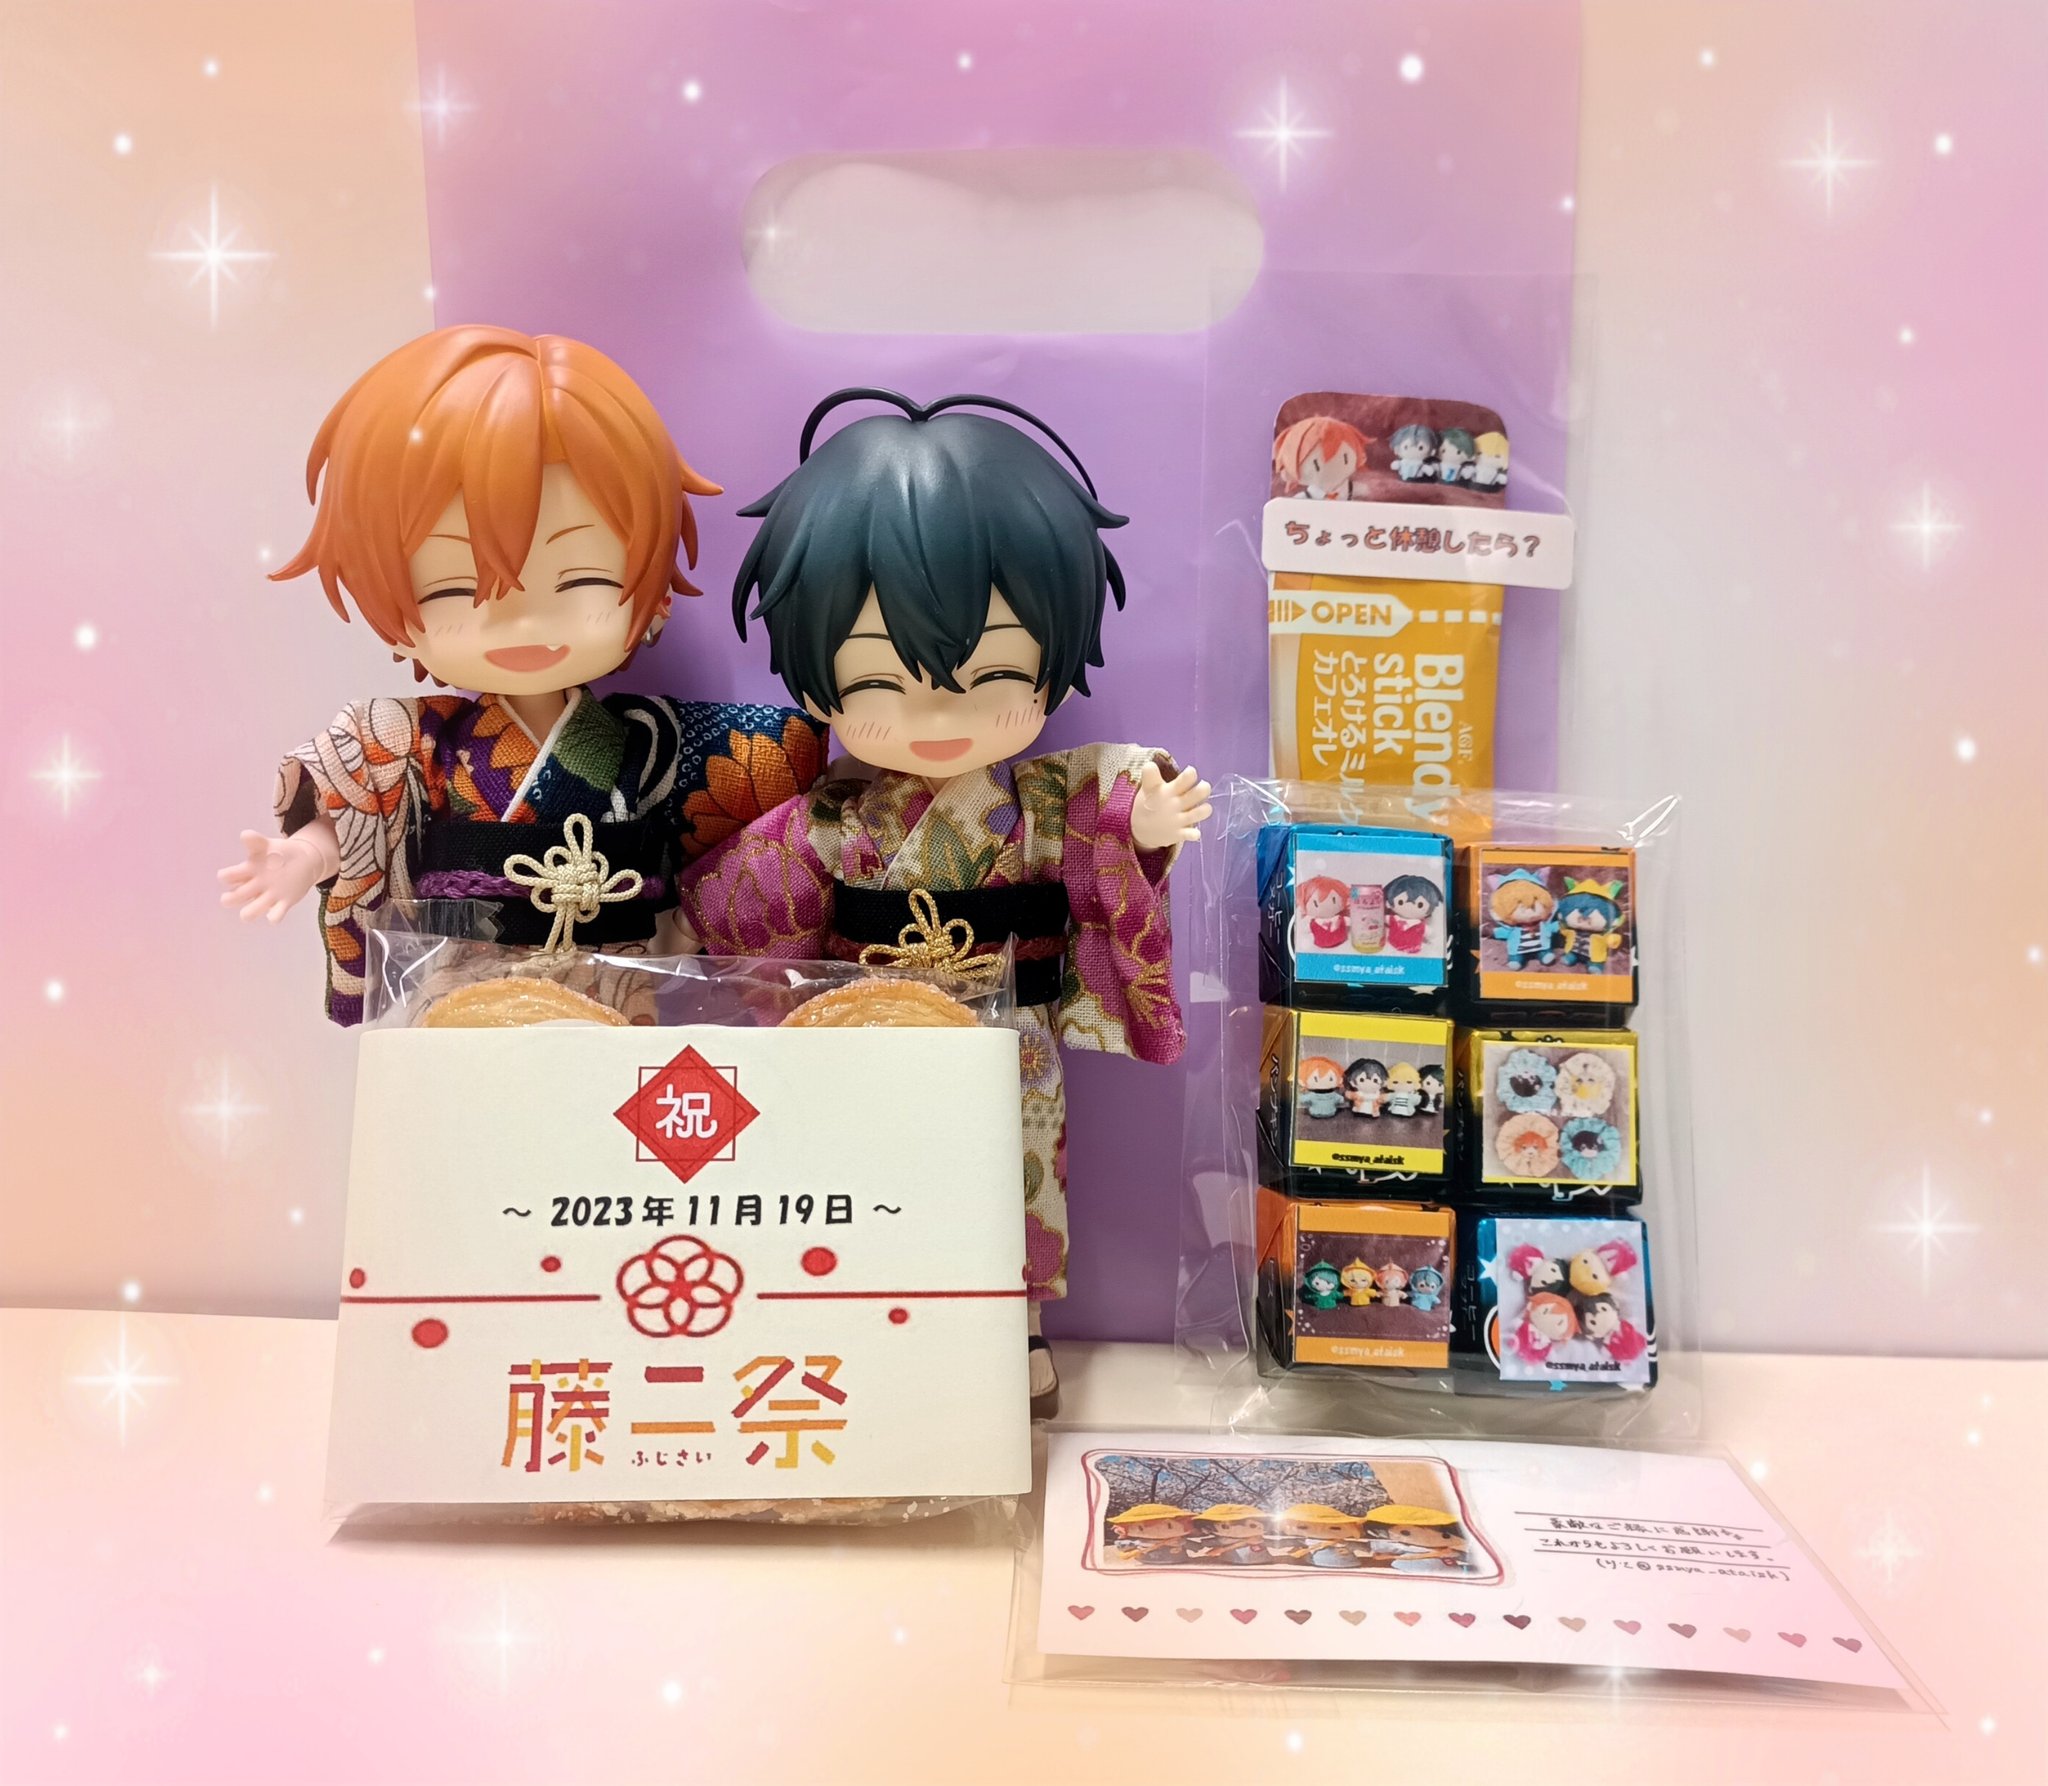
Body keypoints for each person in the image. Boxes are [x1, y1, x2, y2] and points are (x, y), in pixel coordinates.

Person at [672, 388, 1210, 1415]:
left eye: (994, 670)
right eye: (882, 680)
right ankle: (871, 1321)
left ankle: (1015, 1334)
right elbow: (755, 891)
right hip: (866, 1039)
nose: (937, 709)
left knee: (1018, 1182)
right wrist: (673, 917)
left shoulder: (1044, 798)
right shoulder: (837, 818)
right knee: (866, 1183)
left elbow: (1106, 815)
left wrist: (1139, 825)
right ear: (817, 681)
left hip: (1013, 1044)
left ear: (1054, 662)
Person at [219, 326, 821, 1023]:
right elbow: (363, 806)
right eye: (455, 589)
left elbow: (777, 788)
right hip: (466, 984)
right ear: (394, 608)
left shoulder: (655, 744)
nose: (522, 622)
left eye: (581, 579)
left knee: (610, 1092)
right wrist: (307, 855)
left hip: (619, 988)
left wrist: (689, 926)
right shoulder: (415, 741)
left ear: (653, 593)